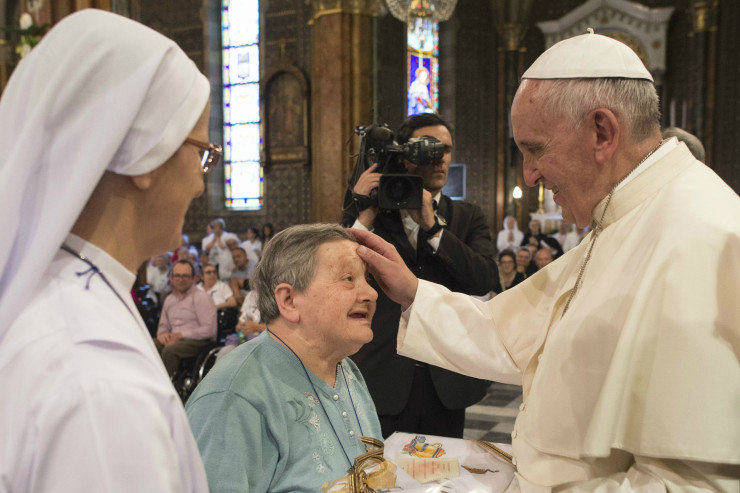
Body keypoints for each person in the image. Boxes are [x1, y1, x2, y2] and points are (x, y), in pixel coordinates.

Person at [352, 31, 740, 490]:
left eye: (535, 149)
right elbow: (514, 336)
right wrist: (413, 291)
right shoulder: (625, 217)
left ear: (602, 132)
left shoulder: (701, 237)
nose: (530, 174)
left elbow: (692, 483)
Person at [0, 9, 215, 491]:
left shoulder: (55, 289)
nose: (200, 184)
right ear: (145, 156)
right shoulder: (96, 383)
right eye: (201, 152)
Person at [186, 224, 383, 493]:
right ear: (289, 300)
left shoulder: (345, 368)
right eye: (348, 279)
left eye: (367, 280)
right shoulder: (233, 398)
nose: (371, 293)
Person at [346, 113, 496, 439]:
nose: (440, 158)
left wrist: (433, 228)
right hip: (382, 373)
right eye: (429, 148)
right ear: (404, 154)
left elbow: (484, 279)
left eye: (447, 149)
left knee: (440, 476)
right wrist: (362, 213)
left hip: (447, 375)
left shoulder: (467, 217)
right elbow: (338, 274)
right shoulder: (371, 212)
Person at [156, 259, 218, 377]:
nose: (180, 279)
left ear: (194, 278)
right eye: (177, 276)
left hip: (197, 341)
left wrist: (180, 335)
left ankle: (167, 387)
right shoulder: (169, 299)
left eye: (185, 276)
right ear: (171, 278)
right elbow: (163, 325)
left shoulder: (202, 298)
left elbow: (209, 330)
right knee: (151, 346)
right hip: (174, 337)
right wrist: (162, 333)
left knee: (170, 351)